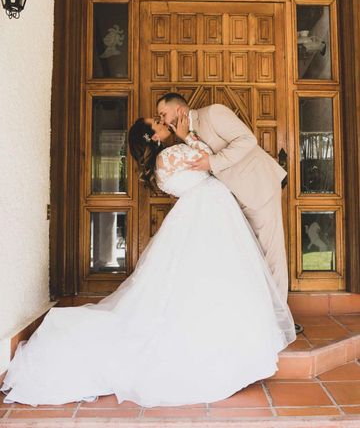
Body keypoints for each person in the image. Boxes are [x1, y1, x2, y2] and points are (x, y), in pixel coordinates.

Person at [0, 116, 296, 408]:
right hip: (210, 212)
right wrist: (187, 135)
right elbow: (210, 158)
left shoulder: (160, 165)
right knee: (213, 276)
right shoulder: (171, 154)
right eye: (157, 122)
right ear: (152, 137)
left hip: (205, 212)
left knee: (202, 278)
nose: (163, 122)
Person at [157, 93, 303, 334]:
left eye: (164, 114)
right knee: (251, 255)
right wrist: (186, 139)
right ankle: (259, 314)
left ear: (179, 109)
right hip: (233, 198)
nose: (162, 120)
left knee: (270, 252)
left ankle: (279, 319)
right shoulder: (184, 136)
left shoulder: (213, 113)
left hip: (258, 187)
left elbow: (248, 140)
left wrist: (212, 162)